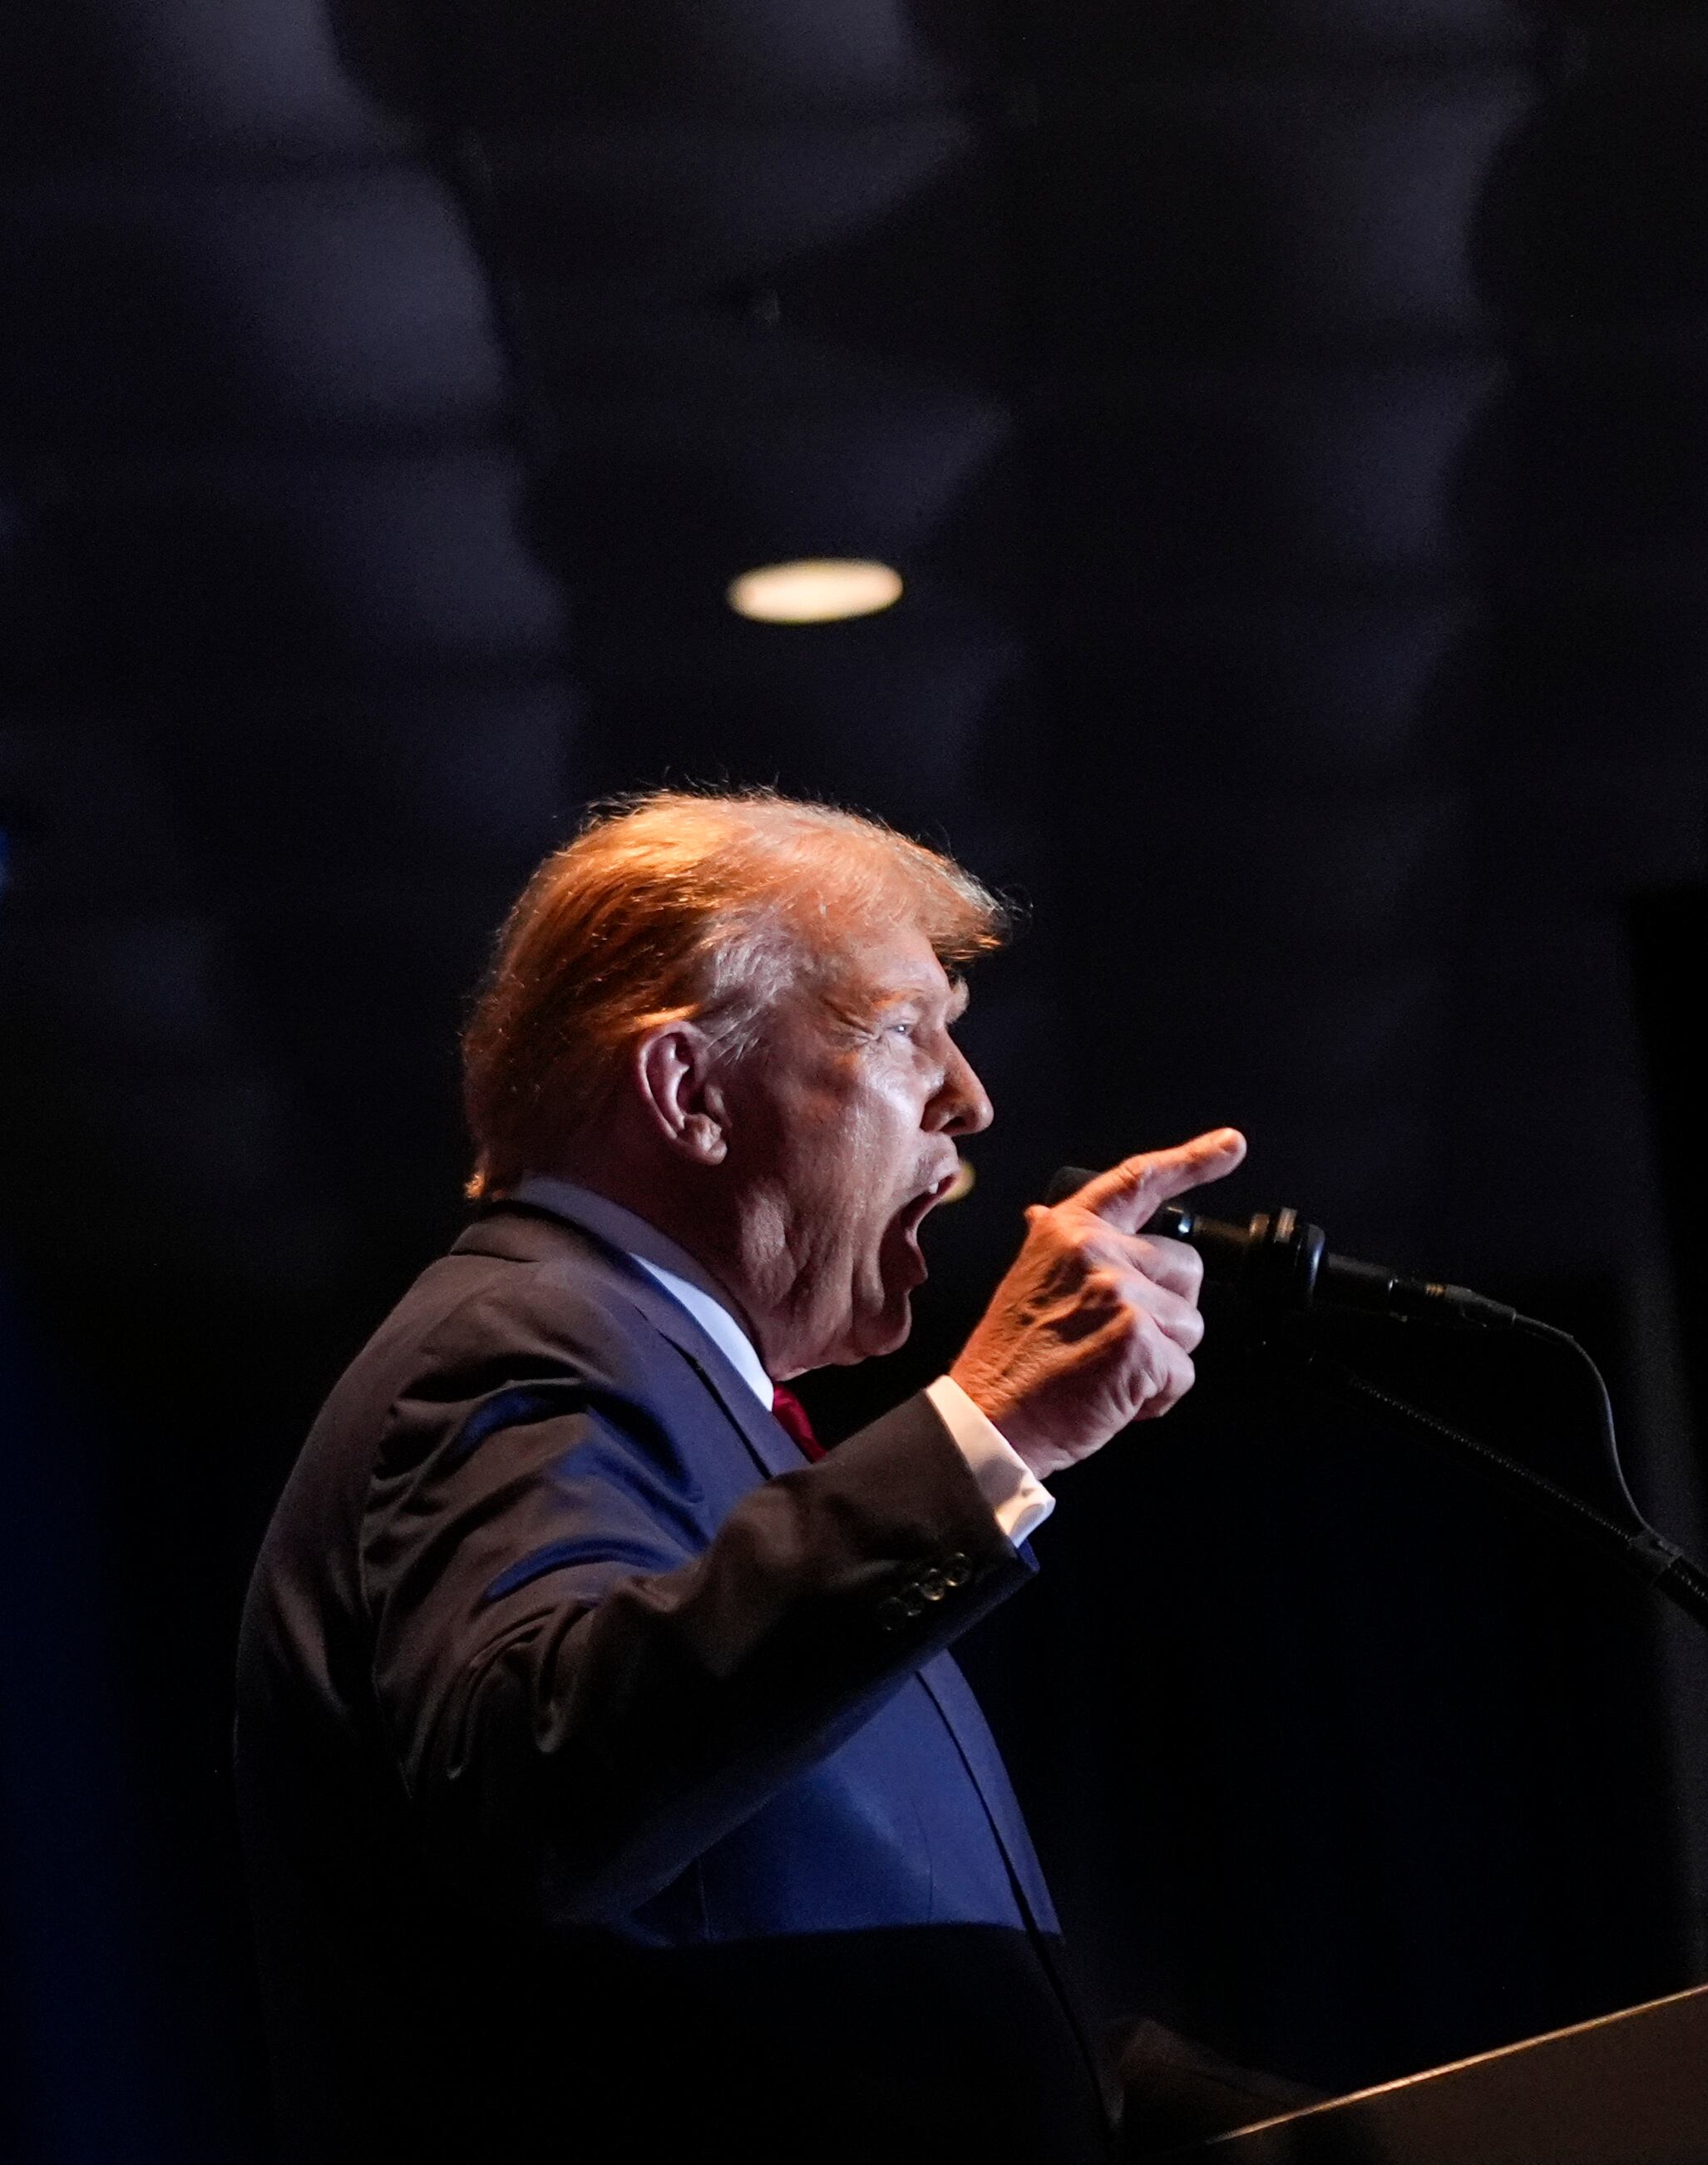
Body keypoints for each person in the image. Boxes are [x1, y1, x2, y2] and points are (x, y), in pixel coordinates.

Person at [234, 790, 1269, 2162]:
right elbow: (542, 1779)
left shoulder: (696, 1395)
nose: (969, 1098)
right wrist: (989, 1426)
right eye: (906, 1032)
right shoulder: (522, 1340)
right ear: (689, 1094)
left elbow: (778, 1970)